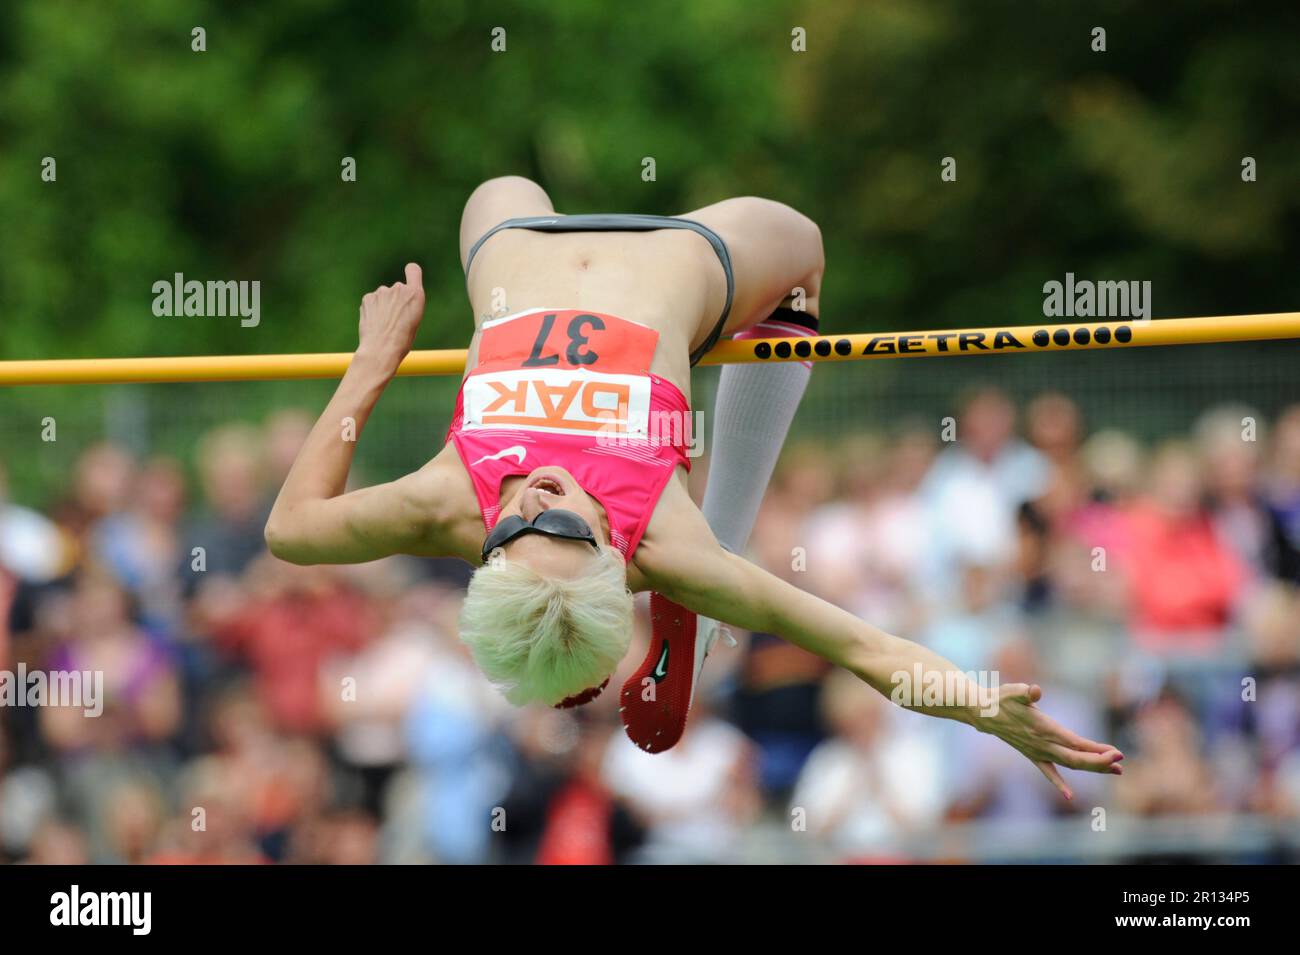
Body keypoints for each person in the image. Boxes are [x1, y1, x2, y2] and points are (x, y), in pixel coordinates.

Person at [265, 176, 1123, 795]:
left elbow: (291, 528)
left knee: (495, 184)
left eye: (508, 536)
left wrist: (371, 364)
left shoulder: (452, 497)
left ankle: (688, 606)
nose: (531, 500)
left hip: (517, 240)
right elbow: (865, 649)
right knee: (803, 253)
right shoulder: (663, 539)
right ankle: (711, 588)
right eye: (560, 527)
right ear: (615, 562)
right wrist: (978, 705)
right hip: (689, 260)